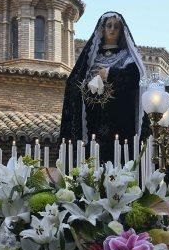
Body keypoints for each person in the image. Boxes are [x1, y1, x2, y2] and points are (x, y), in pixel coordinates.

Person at [59, 12, 149, 162]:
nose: (112, 29)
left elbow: (134, 78)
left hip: (120, 120)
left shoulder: (127, 57)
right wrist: (87, 86)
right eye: (109, 25)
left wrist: (108, 73)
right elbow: (73, 83)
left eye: (116, 27)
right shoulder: (90, 58)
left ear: (121, 31)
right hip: (94, 119)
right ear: (102, 29)